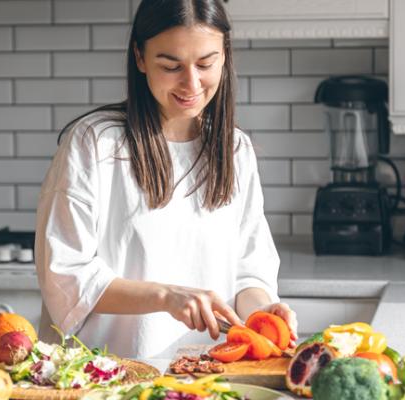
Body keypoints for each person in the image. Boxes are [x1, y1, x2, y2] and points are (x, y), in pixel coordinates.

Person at [35, 0, 297, 359]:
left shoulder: (235, 149)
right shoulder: (95, 143)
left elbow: (250, 271)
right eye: (171, 65)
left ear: (225, 55)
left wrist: (262, 311)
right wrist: (165, 297)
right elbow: (65, 276)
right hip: (106, 377)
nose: (191, 83)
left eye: (206, 63)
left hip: (206, 375)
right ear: (140, 58)